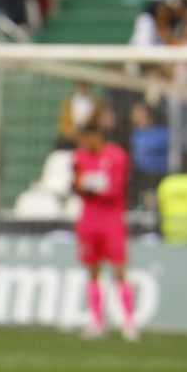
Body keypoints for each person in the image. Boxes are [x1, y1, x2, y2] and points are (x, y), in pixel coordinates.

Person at [73, 119, 137, 340]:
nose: (87, 142)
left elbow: (115, 189)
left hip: (112, 221)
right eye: (84, 138)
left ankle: (129, 322)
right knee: (93, 272)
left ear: (99, 136)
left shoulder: (117, 156)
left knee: (119, 271)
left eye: (90, 137)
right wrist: (88, 186)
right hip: (89, 221)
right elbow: (77, 185)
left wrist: (92, 186)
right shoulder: (79, 157)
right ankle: (97, 322)